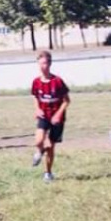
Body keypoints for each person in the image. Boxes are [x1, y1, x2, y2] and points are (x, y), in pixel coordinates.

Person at [31, 51, 70, 183]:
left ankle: (48, 173)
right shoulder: (36, 82)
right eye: (41, 63)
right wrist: (37, 109)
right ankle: (39, 151)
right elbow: (36, 97)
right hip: (44, 115)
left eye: (45, 63)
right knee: (38, 141)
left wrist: (58, 114)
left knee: (51, 146)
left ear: (50, 64)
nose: (43, 66)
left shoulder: (57, 81)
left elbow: (67, 101)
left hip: (57, 118)